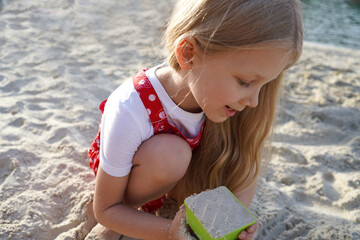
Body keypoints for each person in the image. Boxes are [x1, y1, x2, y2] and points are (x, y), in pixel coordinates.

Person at [88, 0, 303, 239]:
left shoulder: (226, 99)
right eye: (244, 82)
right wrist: (169, 231)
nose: (254, 100)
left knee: (242, 154)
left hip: (182, 172)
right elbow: (105, 209)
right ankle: (130, 216)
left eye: (265, 84)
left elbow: (246, 168)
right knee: (172, 155)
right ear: (189, 54)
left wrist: (234, 219)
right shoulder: (130, 107)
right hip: (130, 177)